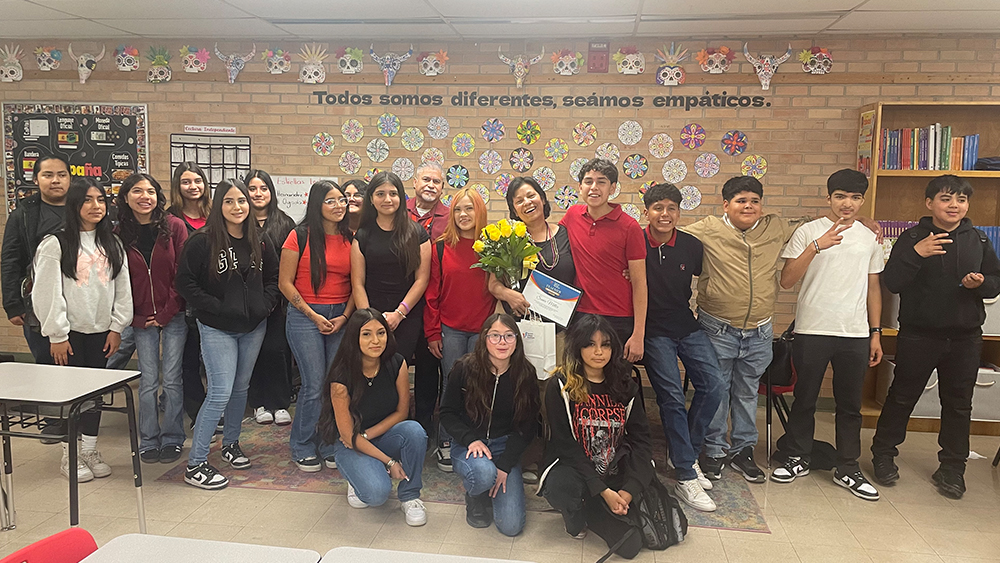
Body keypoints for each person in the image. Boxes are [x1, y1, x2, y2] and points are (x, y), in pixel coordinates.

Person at [682, 176, 879, 483]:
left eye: (754, 201)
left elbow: (818, 221)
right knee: (717, 391)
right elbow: (664, 234)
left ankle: (743, 450)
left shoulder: (776, 227)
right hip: (718, 327)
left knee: (747, 394)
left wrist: (861, 220)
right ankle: (716, 450)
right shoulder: (707, 228)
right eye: (740, 201)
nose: (748, 206)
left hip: (759, 330)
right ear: (725, 205)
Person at [871, 175, 1000, 500]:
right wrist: (917, 253)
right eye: (946, 199)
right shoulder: (912, 237)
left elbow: (996, 282)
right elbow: (893, 282)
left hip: (965, 338)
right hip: (918, 334)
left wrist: (981, 284)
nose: (954, 205)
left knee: (958, 405)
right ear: (930, 203)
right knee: (902, 397)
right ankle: (883, 456)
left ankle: (952, 469)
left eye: (960, 200)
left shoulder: (979, 240)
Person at [771, 169, 884, 501]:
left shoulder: (870, 236)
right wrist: (817, 247)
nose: (846, 204)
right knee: (804, 399)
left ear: (862, 200)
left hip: (855, 333)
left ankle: (848, 467)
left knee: (849, 404)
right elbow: (787, 280)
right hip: (812, 329)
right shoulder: (808, 232)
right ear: (829, 197)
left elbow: (874, 287)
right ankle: (797, 457)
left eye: (854, 198)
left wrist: (875, 333)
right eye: (840, 196)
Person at [175, 178, 280, 490]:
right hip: (217, 327)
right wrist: (216, 308)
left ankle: (231, 444)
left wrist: (265, 305)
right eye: (230, 201)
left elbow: (273, 277)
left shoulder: (259, 240)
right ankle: (195, 463)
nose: (238, 207)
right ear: (219, 205)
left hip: (252, 327)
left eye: (242, 201)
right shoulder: (202, 241)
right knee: (220, 390)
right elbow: (185, 283)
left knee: (240, 388)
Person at [32, 177, 132, 482]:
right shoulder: (55, 244)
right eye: (88, 200)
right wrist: (57, 334)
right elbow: (46, 292)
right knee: (72, 397)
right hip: (69, 335)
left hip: (101, 332)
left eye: (100, 200)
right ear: (74, 204)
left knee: (94, 396)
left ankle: (89, 449)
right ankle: (70, 454)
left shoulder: (111, 243)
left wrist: (117, 327)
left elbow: (122, 289)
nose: (96, 206)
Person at [538, 314, 653, 560]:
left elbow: (641, 440)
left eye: (606, 344)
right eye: (590, 344)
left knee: (630, 547)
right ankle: (579, 511)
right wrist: (601, 489)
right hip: (575, 469)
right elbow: (564, 444)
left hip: (615, 471)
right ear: (577, 347)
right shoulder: (560, 385)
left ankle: (595, 507)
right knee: (562, 487)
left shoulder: (625, 386)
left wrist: (629, 491)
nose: (598, 352)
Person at [640, 183, 723, 512]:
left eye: (672, 208)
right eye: (658, 207)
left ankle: (684, 450)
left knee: (714, 384)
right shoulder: (634, 242)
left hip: (686, 325)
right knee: (672, 396)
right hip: (651, 330)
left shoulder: (691, 245)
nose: (665, 214)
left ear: (679, 212)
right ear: (646, 211)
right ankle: (686, 473)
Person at [317, 308, 428, 526]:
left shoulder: (397, 363)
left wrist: (367, 435)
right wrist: (389, 461)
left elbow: (401, 413)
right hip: (350, 445)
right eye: (366, 334)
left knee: (414, 431)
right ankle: (355, 477)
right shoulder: (341, 376)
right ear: (354, 338)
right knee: (376, 496)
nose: (375, 340)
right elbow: (348, 437)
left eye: (381, 333)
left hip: (380, 435)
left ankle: (410, 495)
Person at [440, 313, 539, 536]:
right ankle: (476, 494)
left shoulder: (526, 374)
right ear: (484, 338)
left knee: (511, 526)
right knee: (483, 475)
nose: (502, 342)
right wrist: (470, 439)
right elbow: (446, 414)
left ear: (517, 340)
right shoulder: (464, 368)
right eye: (495, 336)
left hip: (505, 447)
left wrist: (505, 465)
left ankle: (493, 482)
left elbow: (528, 426)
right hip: (468, 446)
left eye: (508, 336)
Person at [280, 180, 355, 472]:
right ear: (316, 205)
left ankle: (327, 442)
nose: (338, 206)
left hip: (340, 317)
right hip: (304, 317)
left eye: (342, 200)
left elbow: (355, 284)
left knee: (332, 385)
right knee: (313, 384)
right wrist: (313, 315)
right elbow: (284, 283)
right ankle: (302, 444)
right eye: (331, 201)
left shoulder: (352, 237)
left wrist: (345, 317)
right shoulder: (298, 236)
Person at [115, 173, 189, 465]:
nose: (145, 196)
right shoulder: (119, 233)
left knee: (171, 380)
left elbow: (183, 274)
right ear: (126, 197)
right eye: (137, 191)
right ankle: (148, 439)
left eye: (150, 191)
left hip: (174, 314)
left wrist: (166, 312)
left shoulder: (174, 227)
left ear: (159, 197)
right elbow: (117, 282)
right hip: (139, 318)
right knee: (147, 381)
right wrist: (136, 315)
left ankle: (172, 437)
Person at [424, 187, 494, 470]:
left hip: (483, 332)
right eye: (457, 210)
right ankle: (446, 441)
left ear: (480, 212)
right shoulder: (440, 247)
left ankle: (476, 440)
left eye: (469, 209)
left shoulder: (493, 246)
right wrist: (432, 333)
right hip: (450, 330)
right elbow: (432, 293)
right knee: (451, 387)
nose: (464, 215)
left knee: (480, 388)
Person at [2, 155, 71, 442]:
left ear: (70, 178)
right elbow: (10, 259)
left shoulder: (82, 207)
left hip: (79, 301)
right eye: (48, 175)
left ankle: (79, 417)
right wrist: (12, 304)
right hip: (36, 303)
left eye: (61, 174)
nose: (55, 180)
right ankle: (55, 420)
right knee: (46, 359)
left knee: (77, 363)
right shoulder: (25, 214)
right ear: (36, 180)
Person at [351, 171, 431, 417]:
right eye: (380, 194)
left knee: (397, 371)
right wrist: (370, 319)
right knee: (370, 371)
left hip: (406, 316)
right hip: (370, 313)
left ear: (401, 197)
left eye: (393, 194)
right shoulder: (362, 235)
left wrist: (399, 313)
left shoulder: (417, 233)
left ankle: (399, 423)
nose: (388, 199)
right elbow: (358, 283)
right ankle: (370, 424)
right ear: (372, 199)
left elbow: (422, 279)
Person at [559, 158, 646, 363]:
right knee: (579, 380)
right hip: (579, 314)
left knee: (614, 383)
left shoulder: (629, 227)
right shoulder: (572, 216)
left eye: (602, 182)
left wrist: (638, 334)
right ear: (580, 187)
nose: (594, 187)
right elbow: (551, 241)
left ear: (613, 188)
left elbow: (640, 283)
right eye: (588, 181)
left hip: (618, 317)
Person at [406, 163, 449, 464]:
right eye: (426, 179)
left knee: (428, 367)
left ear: (443, 188)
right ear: (414, 182)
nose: (431, 185)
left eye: (437, 181)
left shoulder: (450, 218)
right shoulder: (398, 209)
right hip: (399, 300)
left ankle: (425, 426)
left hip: (435, 302)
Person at [245, 169, 296, 426]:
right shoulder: (239, 222)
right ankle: (259, 403)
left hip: (278, 302)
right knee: (254, 351)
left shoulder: (285, 223)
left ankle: (280, 402)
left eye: (263, 188)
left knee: (276, 350)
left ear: (271, 192)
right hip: (246, 303)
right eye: (252, 188)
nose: (258, 194)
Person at [491, 176, 577, 319]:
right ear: (514, 210)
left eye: (531, 196)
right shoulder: (508, 240)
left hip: (560, 329)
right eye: (519, 201)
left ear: (542, 199)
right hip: (517, 327)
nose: (527, 202)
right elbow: (493, 284)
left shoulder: (566, 235)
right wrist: (508, 295)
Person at [168, 162, 212, 424]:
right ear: (178, 186)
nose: (193, 187)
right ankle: (195, 410)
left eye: (197, 181)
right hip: (182, 299)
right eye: (186, 182)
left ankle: (212, 408)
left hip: (211, 299)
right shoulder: (171, 218)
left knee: (211, 358)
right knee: (188, 359)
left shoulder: (216, 214)